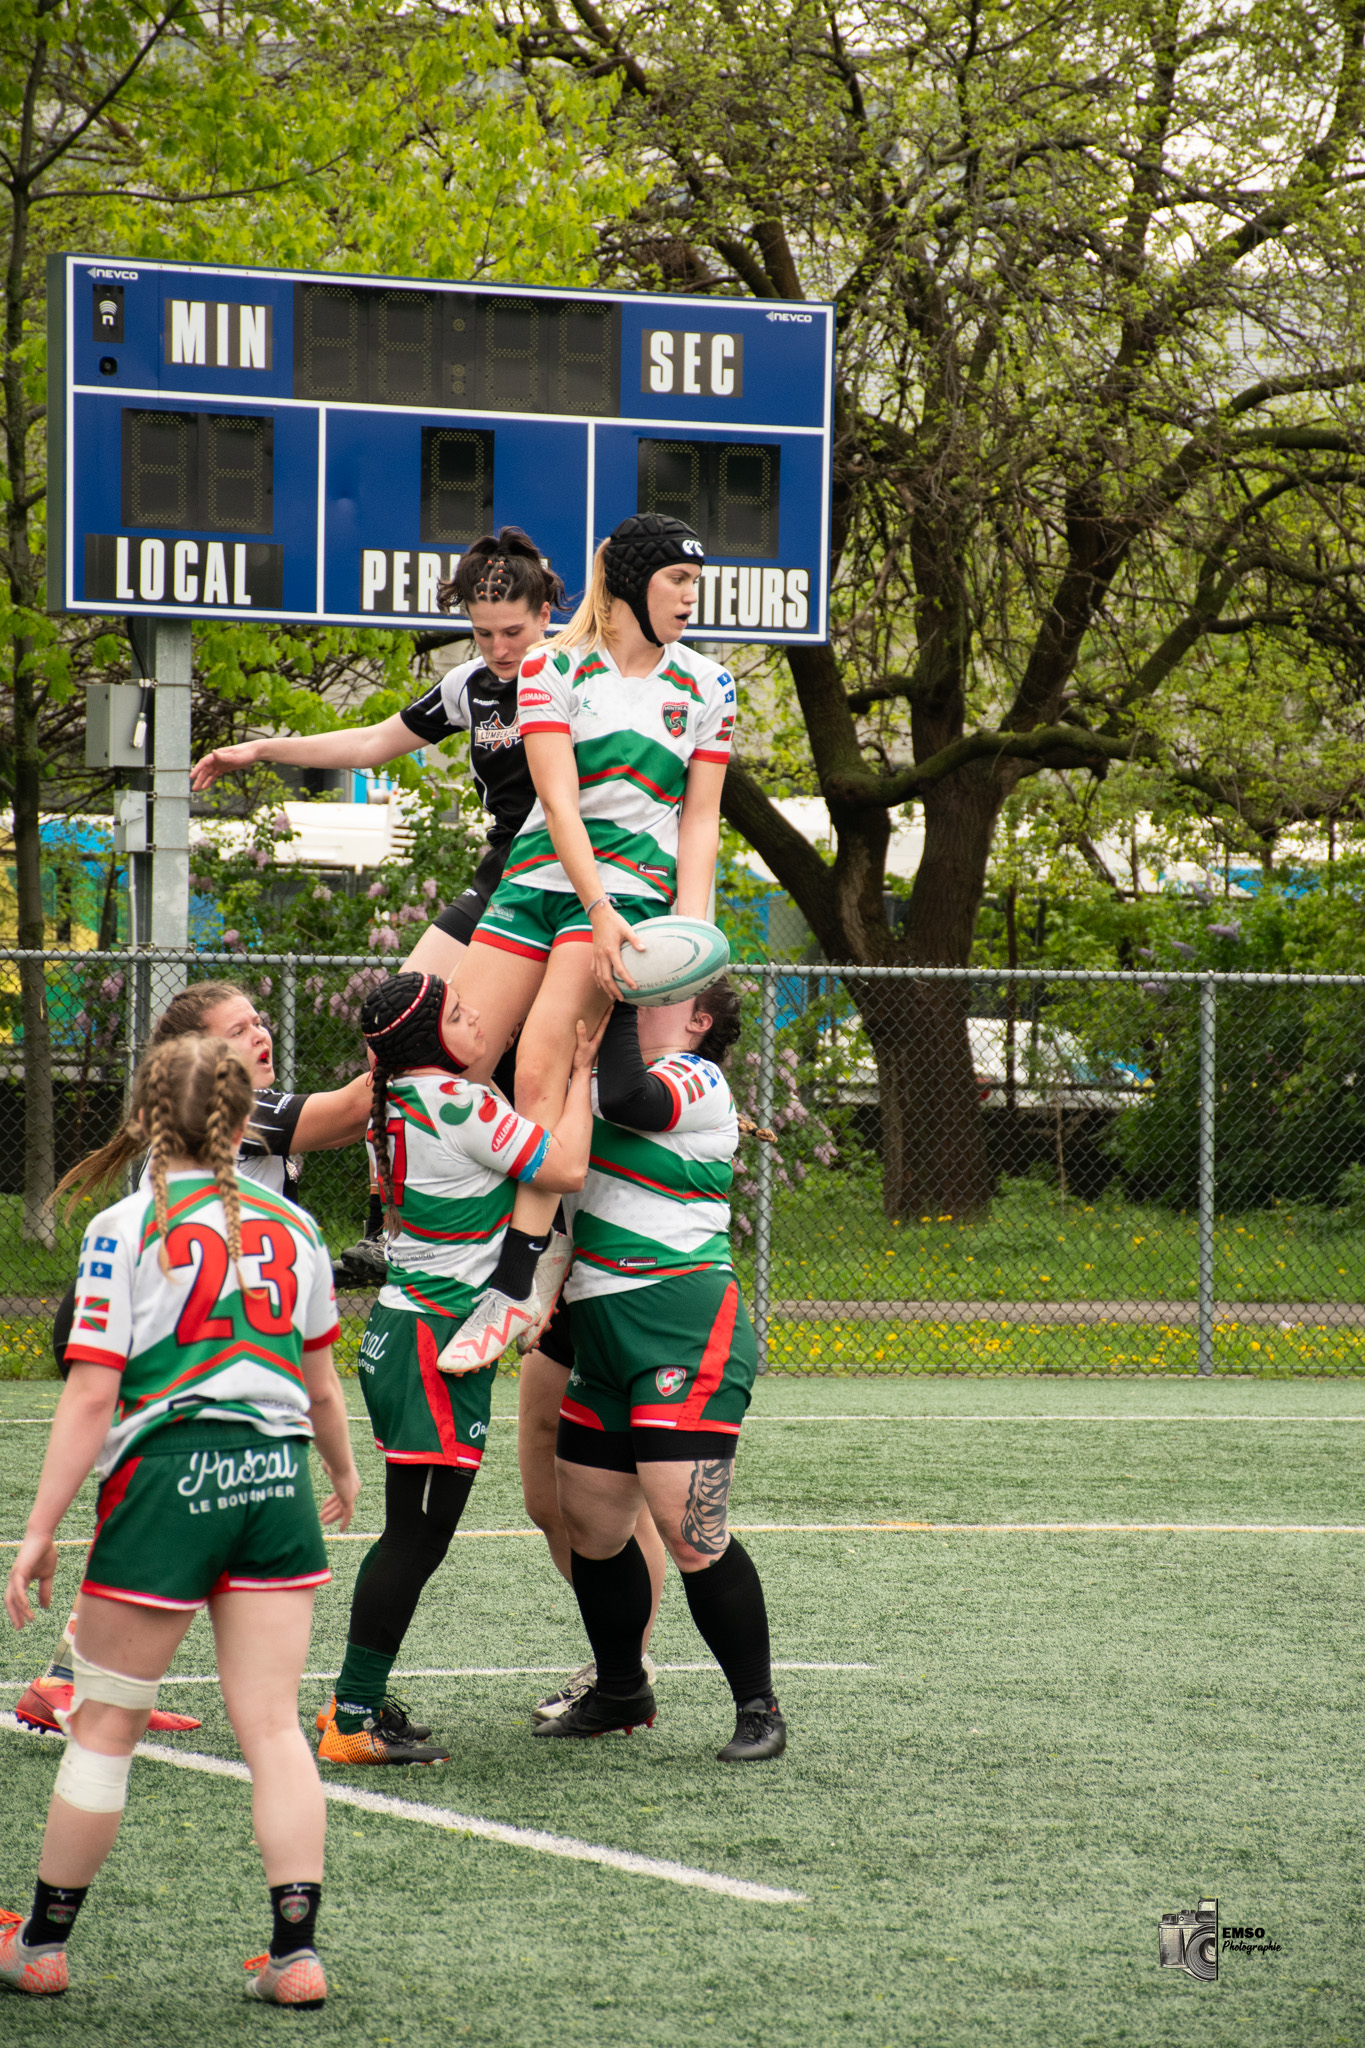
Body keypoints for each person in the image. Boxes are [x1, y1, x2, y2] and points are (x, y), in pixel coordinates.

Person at [1, 1036, 360, 2005]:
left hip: (169, 1481)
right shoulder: (297, 1225)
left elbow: (89, 1396)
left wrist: (39, 1526)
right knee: (276, 1727)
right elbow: (322, 1385)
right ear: (248, 1121)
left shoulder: (125, 1224)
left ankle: (40, 1943)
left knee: (106, 1723)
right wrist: (340, 1467)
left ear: (147, 1117)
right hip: (275, 1479)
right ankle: (296, 1954)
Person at [14, 980, 373, 1738]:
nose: (259, 1036)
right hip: (149, 1328)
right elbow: (351, 1110)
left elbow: (345, 1125)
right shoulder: (245, 1111)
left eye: (260, 1021)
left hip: (162, 1316)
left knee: (162, 1506)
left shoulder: (243, 1111)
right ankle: (78, 1678)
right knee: (162, 1502)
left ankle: (69, 1676)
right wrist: (429, 1036)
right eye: (239, 1030)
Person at [433, 512, 736, 1372]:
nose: (690, 595)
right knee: (460, 1053)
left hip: (631, 901)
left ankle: (513, 1285)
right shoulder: (552, 666)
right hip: (539, 884)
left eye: (693, 581)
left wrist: (686, 943)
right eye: (677, 580)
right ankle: (531, 1229)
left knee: (539, 1072)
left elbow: (701, 825)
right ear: (634, 583)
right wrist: (589, 902)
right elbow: (558, 804)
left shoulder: (710, 686)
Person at [313, 971, 604, 1766]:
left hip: (412, 1333)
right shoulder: (459, 1104)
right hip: (434, 1346)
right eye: (462, 1014)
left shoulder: (404, 1101)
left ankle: (352, 1700)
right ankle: (352, 1714)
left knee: (413, 1534)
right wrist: (578, 1075)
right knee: (415, 1539)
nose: (479, 1019)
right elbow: (564, 1170)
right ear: (432, 1039)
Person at [535, 984, 786, 1764]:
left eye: (660, 998)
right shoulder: (599, 1084)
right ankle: (619, 1690)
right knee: (594, 1529)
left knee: (691, 1530)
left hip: (680, 1320)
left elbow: (632, 1096)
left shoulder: (694, 1078)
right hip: (600, 1329)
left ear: (699, 1023)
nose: (637, 1007)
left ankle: (758, 1709)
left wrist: (609, 995)